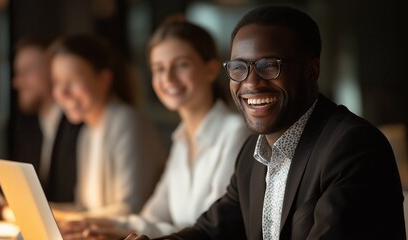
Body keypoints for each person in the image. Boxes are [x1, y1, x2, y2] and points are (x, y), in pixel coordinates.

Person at [126, 5, 406, 240]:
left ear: (312, 71)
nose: (251, 83)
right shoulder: (253, 154)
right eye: (239, 68)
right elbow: (211, 232)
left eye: (269, 65)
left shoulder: (353, 146)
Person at [58, 17, 251, 239]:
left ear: (210, 69)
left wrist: (115, 228)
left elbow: (210, 232)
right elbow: (152, 217)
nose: (168, 78)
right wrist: (93, 224)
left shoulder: (235, 132)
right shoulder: (181, 140)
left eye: (182, 65)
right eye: (159, 68)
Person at [50, 34, 166, 218]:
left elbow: (132, 208)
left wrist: (66, 218)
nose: (62, 92)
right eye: (57, 82)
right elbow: (85, 209)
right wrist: (47, 211)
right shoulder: (87, 132)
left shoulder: (126, 121)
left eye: (72, 80)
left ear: (104, 79)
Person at [0, 37, 81, 220]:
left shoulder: (78, 125)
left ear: (53, 71)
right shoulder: (30, 128)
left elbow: (69, 201)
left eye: (27, 71)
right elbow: (17, 188)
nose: (17, 82)